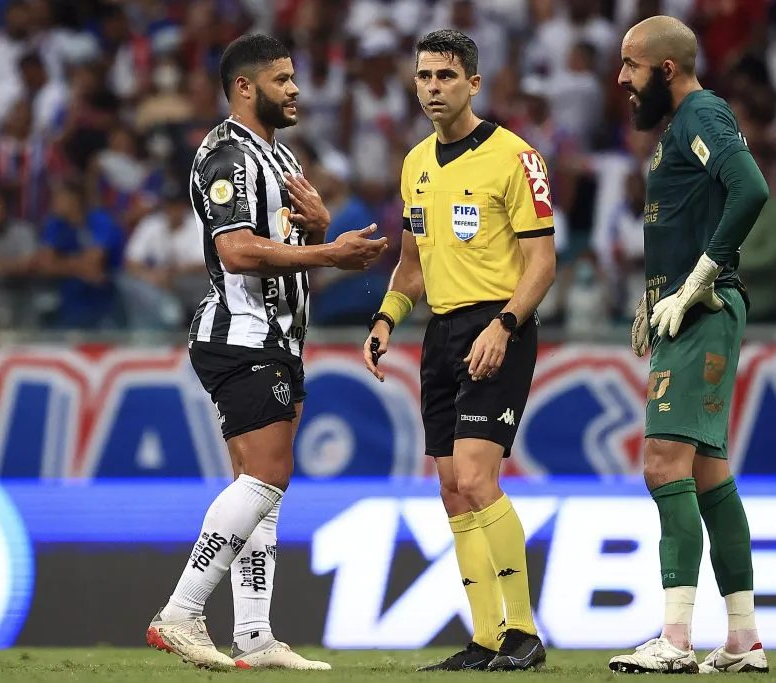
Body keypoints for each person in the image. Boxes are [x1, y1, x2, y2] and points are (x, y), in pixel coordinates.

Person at [145, 33, 386, 671]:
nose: (296, 90)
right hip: (242, 335)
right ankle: (181, 612)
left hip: (277, 338)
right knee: (266, 476)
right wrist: (330, 253)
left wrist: (316, 229)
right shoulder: (227, 154)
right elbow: (236, 251)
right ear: (245, 87)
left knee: (261, 488)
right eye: (282, 79)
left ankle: (254, 634)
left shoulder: (276, 159)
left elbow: (279, 245)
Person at [362, 29, 556, 672]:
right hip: (441, 333)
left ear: (474, 82)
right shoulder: (415, 163)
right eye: (424, 76)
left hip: (498, 325)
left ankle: (523, 631)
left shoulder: (515, 157)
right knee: (450, 488)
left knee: (477, 477)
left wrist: (504, 325)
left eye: (446, 75)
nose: (433, 87)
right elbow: (412, 264)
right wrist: (388, 317)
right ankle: (485, 637)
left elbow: (542, 263)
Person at [607, 16, 771, 674]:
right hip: (684, 309)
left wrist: (699, 279)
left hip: (702, 308)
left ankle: (674, 640)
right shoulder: (681, 128)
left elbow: (751, 189)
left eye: (631, 66)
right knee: (707, 477)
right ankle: (742, 639)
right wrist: (654, 299)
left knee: (660, 464)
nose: (621, 79)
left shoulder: (701, 113)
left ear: (665, 69)